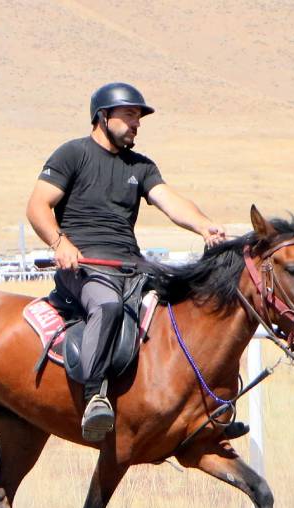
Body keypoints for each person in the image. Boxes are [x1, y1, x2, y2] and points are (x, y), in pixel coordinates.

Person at [25, 82, 227, 442]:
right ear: (103, 117)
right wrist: (60, 243)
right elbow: (38, 206)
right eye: (130, 115)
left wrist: (203, 225)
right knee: (107, 304)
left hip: (131, 266)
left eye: (139, 118)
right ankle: (94, 396)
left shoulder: (141, 166)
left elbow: (171, 202)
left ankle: (205, 405)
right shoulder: (72, 154)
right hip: (83, 268)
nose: (137, 124)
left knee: (186, 303)